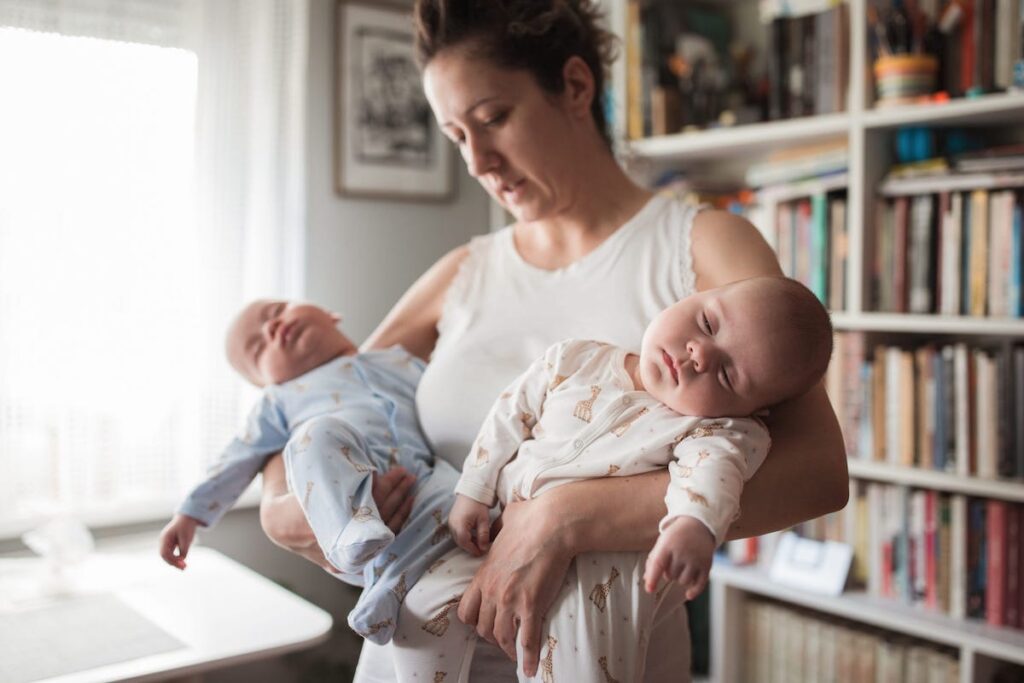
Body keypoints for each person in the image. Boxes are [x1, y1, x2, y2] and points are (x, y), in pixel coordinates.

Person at [258, 1, 848, 680]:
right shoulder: (463, 272)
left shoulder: (700, 247)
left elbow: (817, 471)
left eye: (493, 119)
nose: (478, 160)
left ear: (574, 86)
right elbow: (317, 396)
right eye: (456, 136)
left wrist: (564, 517)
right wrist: (282, 511)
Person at [393, 276, 832, 681]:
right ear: (690, 297)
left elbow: (711, 479)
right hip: (495, 530)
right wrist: (475, 487)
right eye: (707, 323)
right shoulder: (576, 359)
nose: (699, 353)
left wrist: (693, 527)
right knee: (421, 613)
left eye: (726, 374)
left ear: (750, 411)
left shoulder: (712, 430)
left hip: (598, 577)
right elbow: (509, 415)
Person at [158, 299, 459, 644]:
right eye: (258, 349)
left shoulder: (397, 361)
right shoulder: (280, 401)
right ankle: (351, 532)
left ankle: (383, 598)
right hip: (347, 505)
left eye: (274, 313)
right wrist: (189, 515)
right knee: (315, 435)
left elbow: (447, 400)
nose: (271, 328)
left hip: (418, 483)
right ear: (265, 382)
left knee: (459, 494)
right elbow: (237, 456)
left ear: (330, 313)